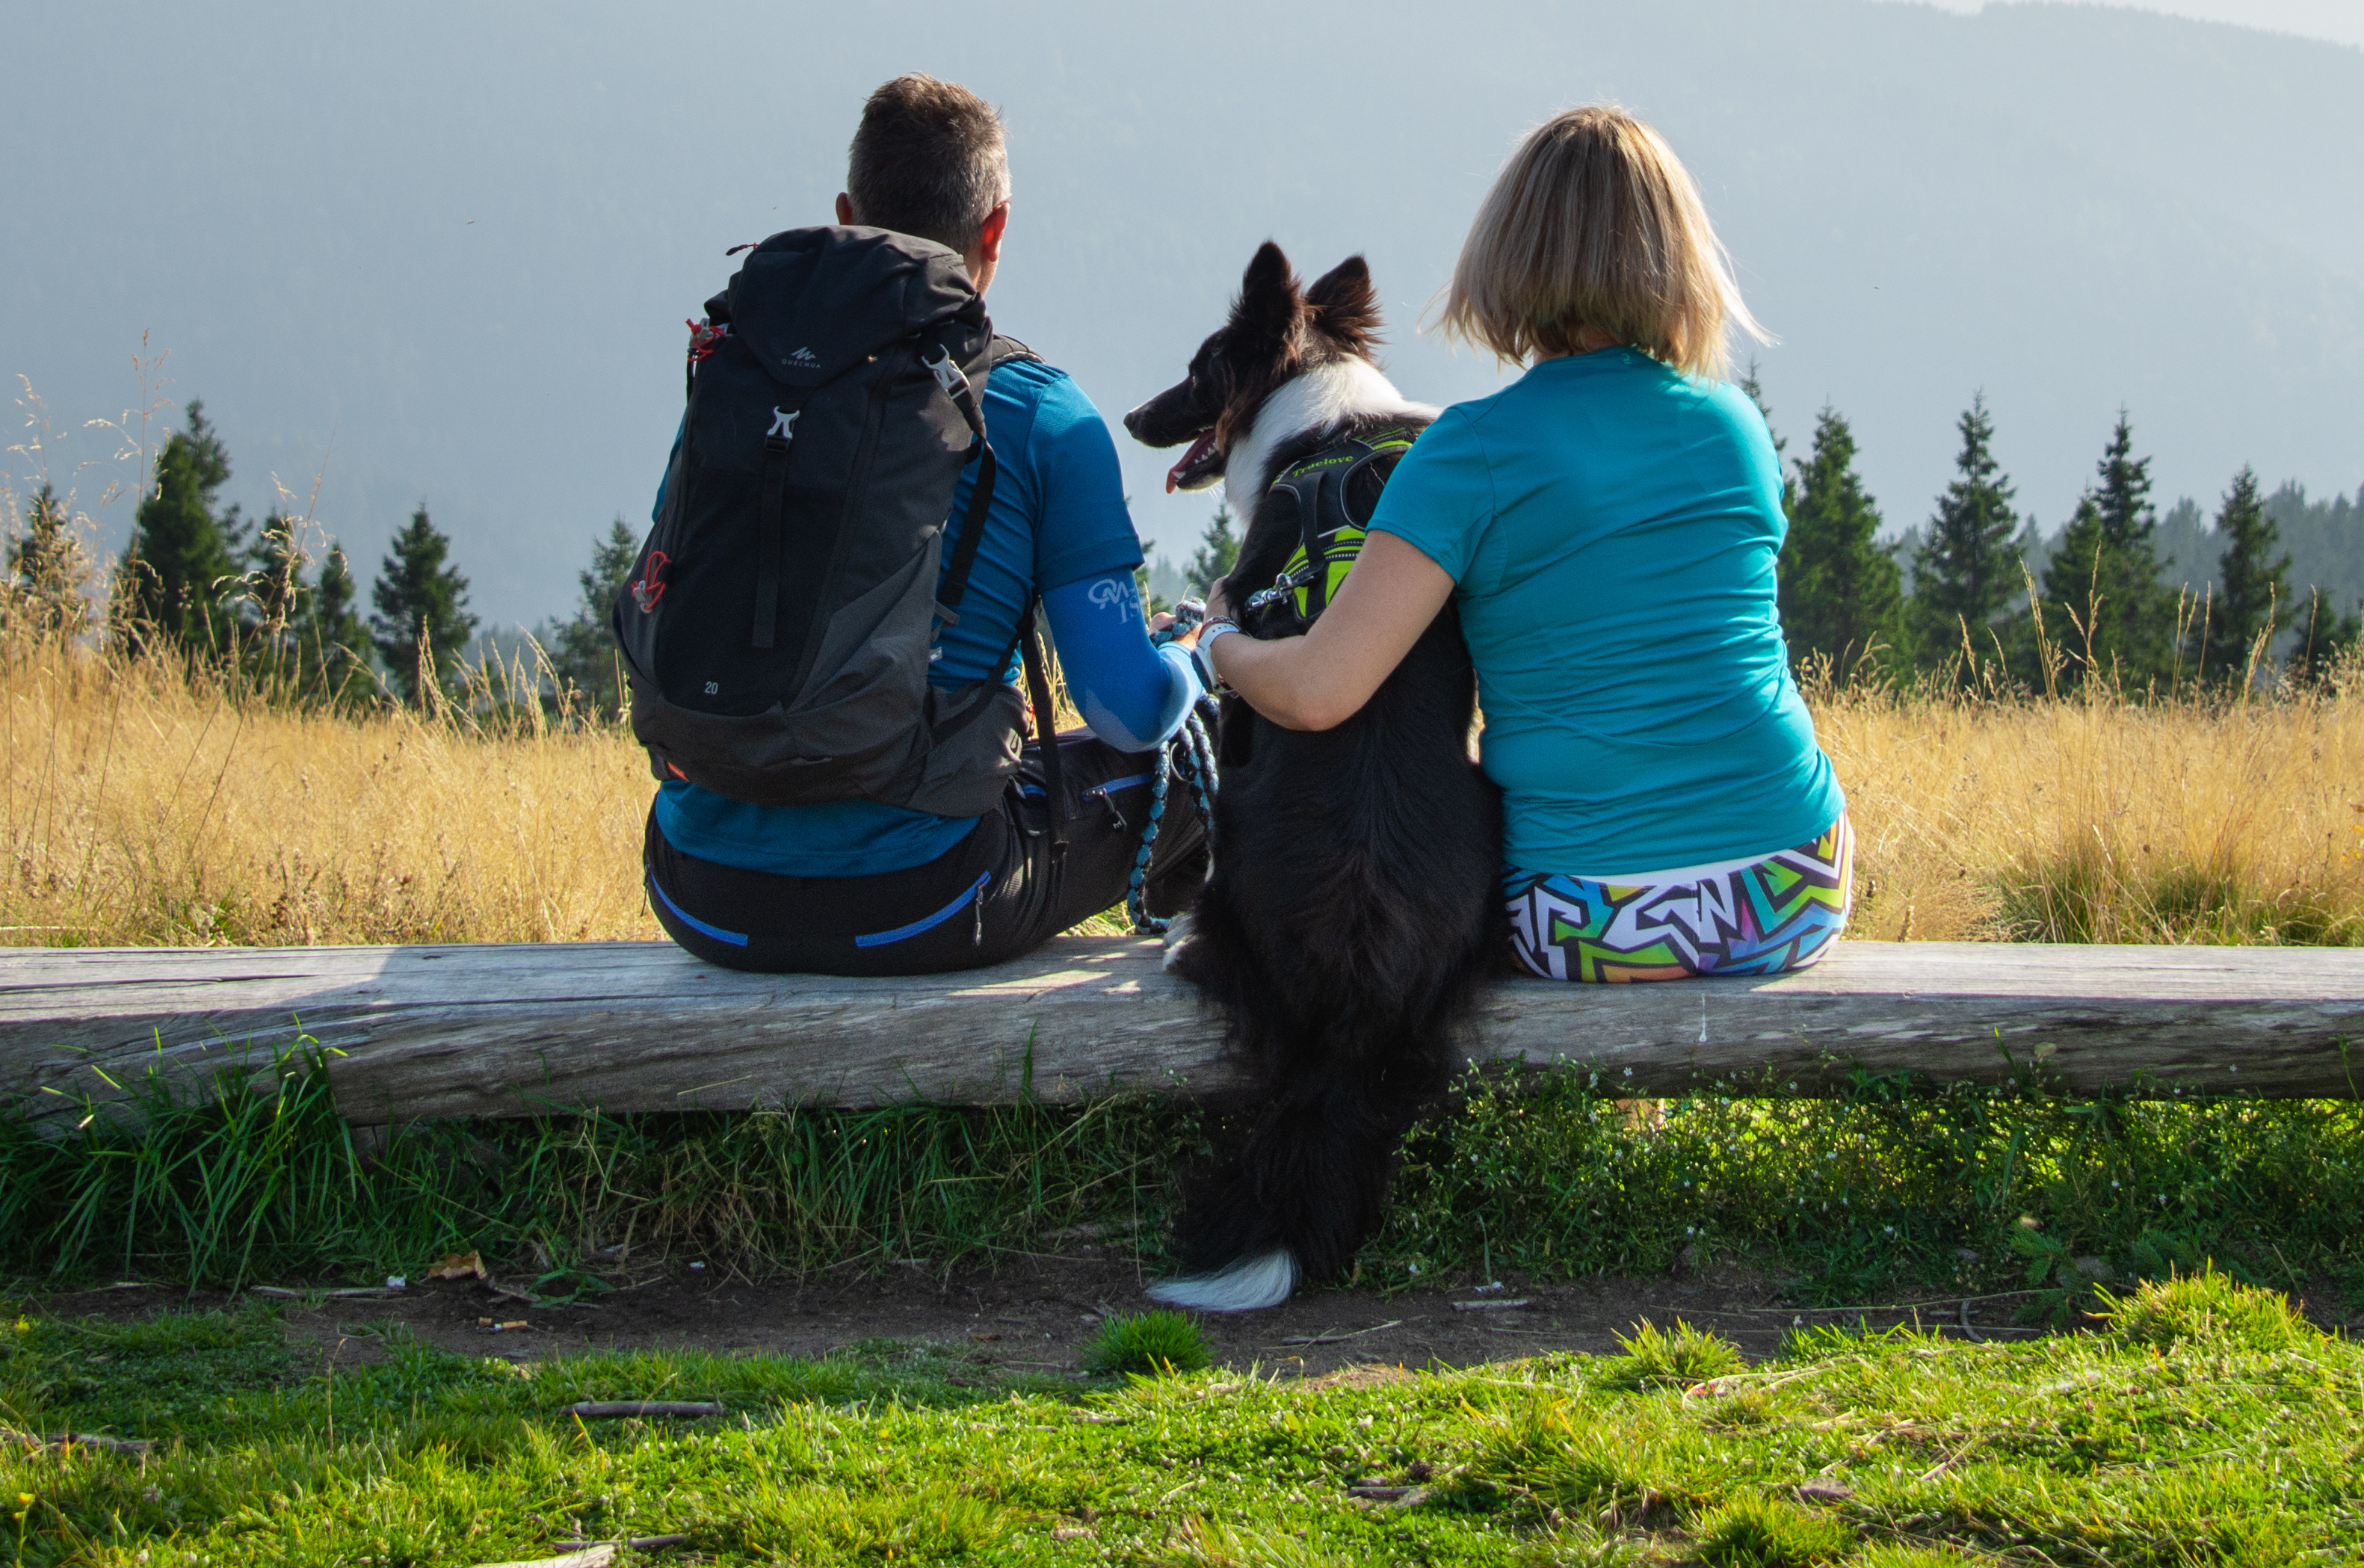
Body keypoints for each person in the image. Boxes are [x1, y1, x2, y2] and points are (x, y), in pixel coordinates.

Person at [1198, 104, 1850, 984]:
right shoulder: (1735, 427)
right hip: (1792, 882)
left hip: (1588, 911)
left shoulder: (1466, 453)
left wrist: (1219, 640)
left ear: (1508, 254)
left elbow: (1318, 691)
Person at [637, 74, 1208, 973]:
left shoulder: (737, 371)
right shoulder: (1042, 413)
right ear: (996, 229)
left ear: (846, 212)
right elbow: (1126, 712)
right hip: (926, 899)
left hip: (695, 888)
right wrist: (1195, 661)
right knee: (1213, 750)